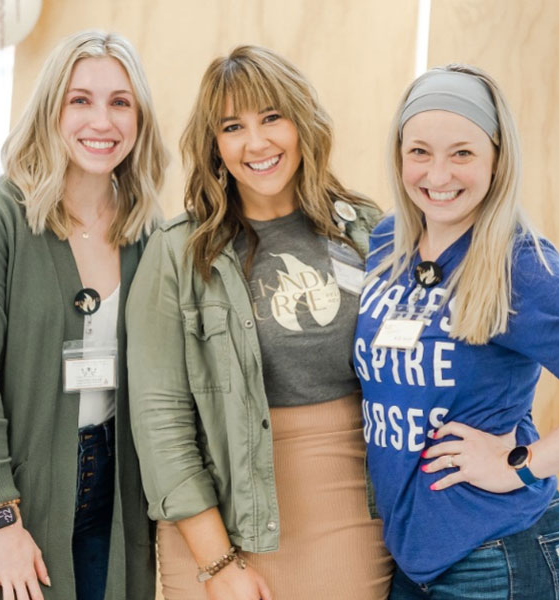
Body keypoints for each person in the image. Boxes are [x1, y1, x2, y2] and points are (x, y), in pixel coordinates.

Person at [354, 64, 559, 599]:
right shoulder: (388, 242)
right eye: (420, 151)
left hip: (497, 556)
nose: (438, 174)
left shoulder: (517, 263)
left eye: (463, 153)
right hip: (417, 555)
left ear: (498, 158)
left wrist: (520, 464)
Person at [126, 45, 394, 600]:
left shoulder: (366, 231)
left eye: (272, 117)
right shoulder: (178, 253)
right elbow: (160, 421)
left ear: (302, 123)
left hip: (348, 515)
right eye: (233, 126)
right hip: (217, 525)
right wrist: (218, 563)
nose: (257, 142)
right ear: (215, 147)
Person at [0, 30, 167, 600]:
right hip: (4, 492)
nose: (101, 122)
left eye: (120, 102)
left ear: (140, 119)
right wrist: (3, 523)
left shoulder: (149, 233)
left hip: (109, 492)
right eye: (80, 100)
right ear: (50, 108)